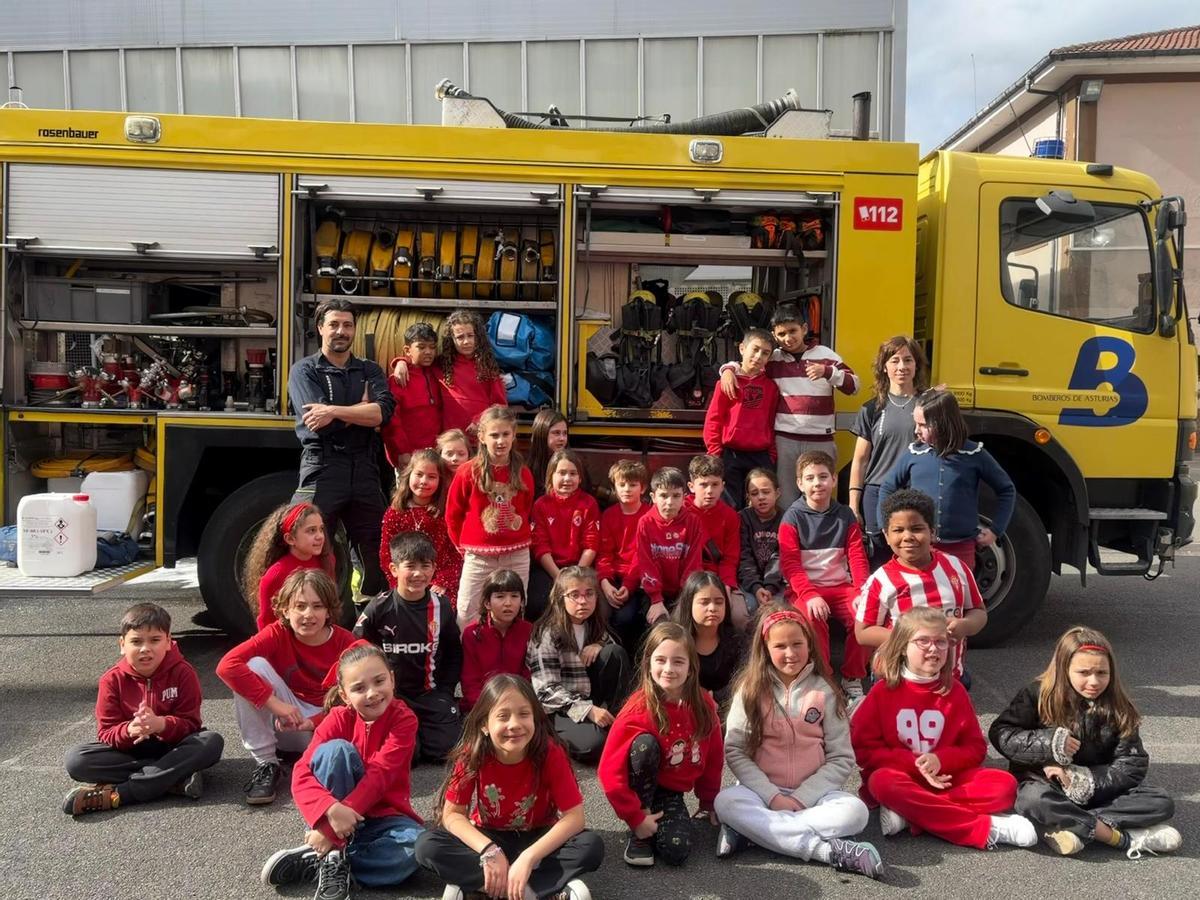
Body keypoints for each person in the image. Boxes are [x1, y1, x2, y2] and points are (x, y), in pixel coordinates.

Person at [713, 605, 882, 879]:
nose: (790, 653)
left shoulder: (825, 691)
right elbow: (735, 750)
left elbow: (841, 757)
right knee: (726, 802)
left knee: (856, 813)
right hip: (762, 793)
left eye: (797, 644)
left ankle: (754, 833)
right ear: (765, 649)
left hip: (814, 796)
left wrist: (802, 798)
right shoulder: (750, 689)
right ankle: (828, 851)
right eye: (780, 646)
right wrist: (772, 796)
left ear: (809, 645)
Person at [850, 608, 1036, 850]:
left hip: (948, 779)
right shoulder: (882, 692)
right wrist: (913, 763)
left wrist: (940, 760)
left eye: (940, 642)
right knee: (881, 782)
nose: (933, 648)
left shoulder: (955, 691)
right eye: (922, 641)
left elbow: (975, 749)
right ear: (902, 647)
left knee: (1005, 786)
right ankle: (987, 828)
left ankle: (911, 816)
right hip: (901, 778)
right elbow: (863, 750)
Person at [989, 626, 1181, 859]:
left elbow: (1132, 763)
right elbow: (1002, 733)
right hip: (1047, 785)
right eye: (1084, 672)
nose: (1094, 681)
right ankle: (1120, 838)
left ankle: (1067, 825)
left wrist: (1085, 781)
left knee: (1161, 802)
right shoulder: (1037, 694)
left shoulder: (1119, 706)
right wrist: (1050, 745)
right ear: (1063, 669)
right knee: (1032, 800)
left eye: (1102, 673)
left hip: (1096, 790)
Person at [414, 675, 603, 900]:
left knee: (591, 845)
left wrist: (529, 857)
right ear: (484, 724)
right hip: (490, 836)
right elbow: (453, 814)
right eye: (503, 716)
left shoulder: (550, 752)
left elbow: (574, 817)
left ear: (535, 717)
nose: (514, 724)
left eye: (524, 714)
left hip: (538, 837)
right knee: (427, 846)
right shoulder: (472, 753)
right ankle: (541, 889)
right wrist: (488, 850)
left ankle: (486, 887)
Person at [260, 645, 424, 900]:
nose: (372, 693)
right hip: (334, 814)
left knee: (418, 846)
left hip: (383, 817)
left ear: (392, 678)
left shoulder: (404, 719)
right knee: (337, 752)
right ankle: (335, 856)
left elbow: (380, 775)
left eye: (379, 681)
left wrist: (328, 834)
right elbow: (301, 772)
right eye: (359, 688)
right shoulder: (337, 718)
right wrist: (331, 814)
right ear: (345, 695)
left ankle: (323, 859)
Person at [63, 603, 224, 816]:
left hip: (173, 747)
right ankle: (174, 778)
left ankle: (121, 794)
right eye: (136, 641)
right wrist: (130, 730)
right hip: (132, 752)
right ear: (122, 644)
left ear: (168, 642)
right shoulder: (111, 680)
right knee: (77, 760)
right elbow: (106, 732)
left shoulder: (183, 672)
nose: (145, 649)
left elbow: (191, 724)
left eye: (155, 640)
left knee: (211, 742)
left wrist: (161, 724)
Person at [217, 569, 359, 805]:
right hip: (288, 722)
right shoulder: (277, 632)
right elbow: (226, 666)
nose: (308, 614)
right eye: (300, 606)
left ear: (328, 611)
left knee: (357, 693)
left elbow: (353, 705)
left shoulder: (347, 643)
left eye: (317, 606)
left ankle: (317, 763)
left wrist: (313, 722)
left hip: (329, 726)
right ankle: (267, 763)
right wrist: (274, 703)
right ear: (285, 610)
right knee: (252, 666)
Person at [289, 297, 395, 600]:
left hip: (364, 468)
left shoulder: (370, 371)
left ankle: (365, 620)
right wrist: (360, 409)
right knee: (307, 545)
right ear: (320, 328)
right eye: (333, 324)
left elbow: (383, 414)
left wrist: (334, 411)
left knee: (375, 550)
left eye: (347, 325)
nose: (341, 331)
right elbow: (320, 423)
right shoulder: (304, 371)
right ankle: (308, 617)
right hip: (323, 467)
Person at [598, 622, 723, 868]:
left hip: (669, 791)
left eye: (678, 661)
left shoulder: (704, 707)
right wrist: (636, 818)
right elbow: (608, 773)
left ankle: (658, 823)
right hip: (639, 789)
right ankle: (641, 830)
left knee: (677, 851)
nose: (669, 669)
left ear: (690, 668)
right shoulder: (637, 710)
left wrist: (708, 801)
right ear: (648, 664)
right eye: (661, 660)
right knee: (645, 745)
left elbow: (714, 757)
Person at [718, 304, 859, 508]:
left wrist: (828, 372)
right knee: (784, 500)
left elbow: (854, 386)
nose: (788, 338)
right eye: (781, 334)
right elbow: (747, 365)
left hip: (821, 440)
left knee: (820, 498)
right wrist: (728, 369)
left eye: (792, 331)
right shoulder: (773, 358)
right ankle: (788, 540)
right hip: (784, 441)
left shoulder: (826, 355)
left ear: (804, 329)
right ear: (775, 336)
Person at [878, 388, 1016, 571]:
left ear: (942, 423)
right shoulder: (914, 454)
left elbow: (1007, 489)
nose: (916, 430)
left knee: (958, 596)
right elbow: (887, 487)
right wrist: (886, 526)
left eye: (922, 424)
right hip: (920, 547)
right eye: (916, 423)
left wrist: (995, 530)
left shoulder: (974, 454)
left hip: (961, 549)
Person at [855, 489, 987, 680]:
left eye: (916, 529)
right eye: (898, 530)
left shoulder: (956, 567)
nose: (907, 536)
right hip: (899, 679)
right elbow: (863, 632)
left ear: (932, 532)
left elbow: (979, 611)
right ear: (886, 535)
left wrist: (965, 625)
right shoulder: (881, 580)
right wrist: (910, 638)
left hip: (950, 677)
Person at [355, 533, 462, 762]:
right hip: (394, 697)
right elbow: (357, 650)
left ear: (433, 568)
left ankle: (431, 726)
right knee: (407, 757)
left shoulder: (441, 606)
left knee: (446, 753)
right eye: (410, 566)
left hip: (430, 694)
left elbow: (454, 652)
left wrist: (445, 691)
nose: (418, 573)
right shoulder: (379, 607)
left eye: (425, 566)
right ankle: (409, 734)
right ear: (394, 569)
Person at [779, 451, 870, 701]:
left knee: (866, 615)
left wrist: (863, 591)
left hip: (841, 586)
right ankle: (825, 676)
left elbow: (857, 557)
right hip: (806, 589)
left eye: (822, 477)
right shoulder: (792, 517)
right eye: (809, 478)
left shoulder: (845, 515)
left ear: (834, 479)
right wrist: (809, 595)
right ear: (800, 484)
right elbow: (790, 565)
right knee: (812, 616)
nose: (817, 483)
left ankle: (852, 676)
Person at [527, 566, 631, 763]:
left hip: (589, 696)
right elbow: (546, 691)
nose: (583, 601)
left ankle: (618, 720)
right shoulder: (547, 633)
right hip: (561, 708)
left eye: (589, 594)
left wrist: (599, 644)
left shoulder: (594, 625)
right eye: (574, 595)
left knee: (614, 653)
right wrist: (588, 710)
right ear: (560, 598)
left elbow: (615, 656)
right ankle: (557, 735)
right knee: (594, 747)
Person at [446, 404, 536, 629]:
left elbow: (526, 507)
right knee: (467, 612)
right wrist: (463, 546)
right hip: (479, 557)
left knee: (513, 612)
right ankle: (468, 661)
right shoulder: (468, 472)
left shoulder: (523, 472)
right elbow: (453, 515)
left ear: (514, 435)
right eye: (494, 435)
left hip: (516, 554)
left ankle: (510, 661)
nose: (500, 441)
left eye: (506, 434)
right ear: (482, 437)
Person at [848, 336, 931, 566]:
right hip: (877, 493)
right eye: (895, 360)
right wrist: (854, 505)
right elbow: (860, 460)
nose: (902, 367)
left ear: (917, 365)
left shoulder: (929, 406)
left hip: (918, 491)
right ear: (884, 367)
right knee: (881, 559)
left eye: (908, 360)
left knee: (916, 557)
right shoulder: (871, 408)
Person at [393, 309, 507, 439]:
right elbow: (419, 363)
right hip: (451, 442)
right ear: (451, 339)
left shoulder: (488, 368)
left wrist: (480, 421)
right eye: (460, 337)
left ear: (478, 336)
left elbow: (500, 405)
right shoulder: (442, 365)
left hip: (481, 438)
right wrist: (401, 362)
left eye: (470, 335)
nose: (466, 341)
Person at [703, 327, 779, 509]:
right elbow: (714, 419)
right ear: (742, 348)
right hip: (731, 455)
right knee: (729, 506)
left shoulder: (771, 387)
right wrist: (716, 454)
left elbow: (771, 422)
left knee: (760, 507)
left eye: (765, 353)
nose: (759, 356)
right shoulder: (727, 381)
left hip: (760, 455)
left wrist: (772, 455)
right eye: (755, 349)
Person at [379, 448, 462, 606]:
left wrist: (443, 581)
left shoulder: (444, 513)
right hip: (404, 584)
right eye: (419, 474)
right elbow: (385, 554)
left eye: (431, 477)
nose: (424, 481)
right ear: (408, 475)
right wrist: (400, 583)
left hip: (440, 584)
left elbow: (455, 553)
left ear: (440, 480)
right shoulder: (395, 513)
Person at [529, 449, 601, 621]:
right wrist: (559, 577)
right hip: (550, 568)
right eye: (562, 473)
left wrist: (575, 576)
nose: (568, 479)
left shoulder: (588, 503)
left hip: (581, 567)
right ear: (551, 476)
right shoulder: (541, 505)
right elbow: (540, 546)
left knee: (595, 605)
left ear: (580, 478)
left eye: (573, 474)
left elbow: (591, 544)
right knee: (537, 603)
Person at [244, 500, 335, 631]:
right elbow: (266, 623)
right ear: (290, 539)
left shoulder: (327, 561)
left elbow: (331, 609)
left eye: (321, 529)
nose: (320, 536)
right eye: (311, 531)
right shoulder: (275, 575)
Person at [635, 467, 704, 624]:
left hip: (684, 591)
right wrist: (656, 599)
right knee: (659, 625)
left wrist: (684, 599)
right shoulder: (645, 523)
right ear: (653, 497)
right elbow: (645, 563)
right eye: (663, 496)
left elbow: (693, 563)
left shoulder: (693, 522)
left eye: (676, 496)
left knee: (685, 625)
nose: (669, 502)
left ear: (684, 497)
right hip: (655, 592)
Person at [596, 459, 652, 652]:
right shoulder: (609, 515)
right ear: (615, 487)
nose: (627, 489)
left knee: (625, 617)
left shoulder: (649, 516)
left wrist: (628, 586)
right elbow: (604, 554)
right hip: (613, 578)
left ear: (643, 488)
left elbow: (642, 556)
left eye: (633, 484)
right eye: (622, 484)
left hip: (638, 580)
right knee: (600, 612)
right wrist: (605, 581)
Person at [460, 569, 533, 711]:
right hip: (481, 705)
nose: (508, 603)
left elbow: (529, 676)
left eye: (514, 596)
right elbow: (470, 681)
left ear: (522, 601)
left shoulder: (529, 631)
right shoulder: (473, 633)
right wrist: (487, 709)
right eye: (500, 597)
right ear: (487, 603)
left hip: (520, 704)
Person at [671, 571, 744, 700]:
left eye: (719, 602)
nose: (712, 608)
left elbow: (743, 681)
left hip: (727, 707)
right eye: (704, 602)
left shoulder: (736, 640)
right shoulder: (674, 643)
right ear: (689, 604)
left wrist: (714, 697)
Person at [380, 321, 442, 471]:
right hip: (410, 457)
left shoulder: (438, 373)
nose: (428, 352)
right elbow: (392, 421)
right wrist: (402, 451)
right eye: (421, 347)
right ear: (407, 350)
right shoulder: (398, 380)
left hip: (438, 454)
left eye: (432, 347)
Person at [684, 455, 741, 603]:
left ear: (722, 486)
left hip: (718, 579)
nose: (710, 491)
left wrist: (727, 585)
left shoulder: (730, 516)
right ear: (691, 487)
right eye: (703, 485)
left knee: (739, 616)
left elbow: (730, 558)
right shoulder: (681, 511)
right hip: (686, 579)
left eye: (715, 484)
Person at [737, 468, 785, 625]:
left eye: (766, 492)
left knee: (779, 610)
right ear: (748, 497)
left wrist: (770, 587)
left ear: (777, 493)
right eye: (755, 493)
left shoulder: (786, 519)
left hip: (777, 584)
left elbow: (781, 556)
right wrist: (756, 587)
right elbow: (744, 555)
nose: (761, 497)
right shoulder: (742, 519)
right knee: (750, 608)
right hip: (749, 583)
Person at [528, 409, 570, 498]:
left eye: (565, 433)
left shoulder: (574, 464)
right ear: (542, 433)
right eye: (556, 433)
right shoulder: (528, 471)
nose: (562, 438)